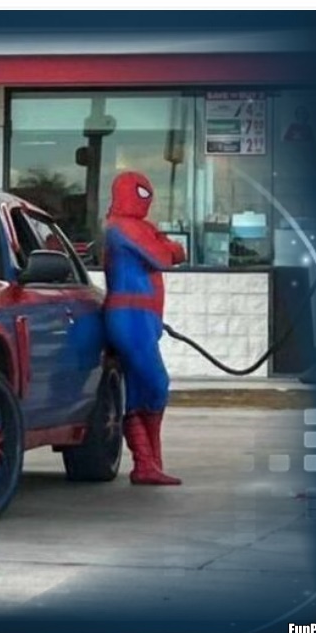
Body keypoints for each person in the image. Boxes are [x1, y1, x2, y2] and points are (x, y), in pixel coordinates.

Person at [103, 171, 186, 485]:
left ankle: (148, 462)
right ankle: (146, 462)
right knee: (154, 384)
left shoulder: (126, 228)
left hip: (140, 318)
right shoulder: (123, 228)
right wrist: (166, 243)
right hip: (131, 317)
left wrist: (162, 242)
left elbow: (164, 251)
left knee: (142, 387)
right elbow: (164, 255)